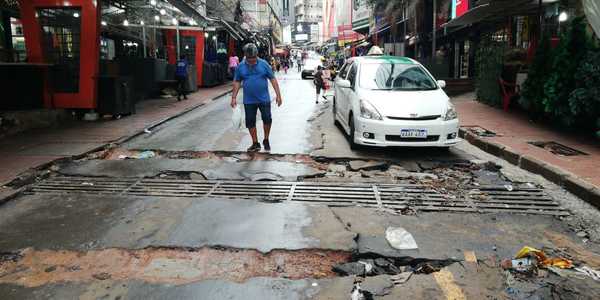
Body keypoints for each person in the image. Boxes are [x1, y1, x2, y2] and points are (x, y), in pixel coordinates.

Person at [231, 43, 283, 152]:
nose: (252, 61)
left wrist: (278, 95)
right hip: (249, 100)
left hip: (264, 99)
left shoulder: (264, 64)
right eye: (250, 59)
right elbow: (237, 81)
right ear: (245, 56)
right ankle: (255, 143)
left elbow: (273, 79)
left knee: (267, 119)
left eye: (254, 58)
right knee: (250, 122)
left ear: (257, 55)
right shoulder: (240, 67)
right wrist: (233, 97)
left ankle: (266, 139)